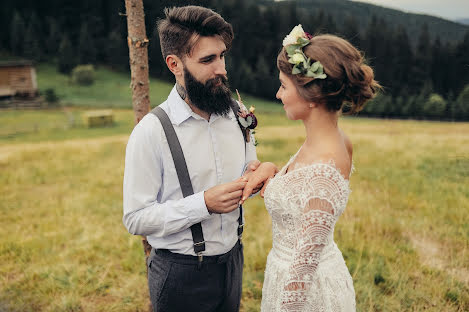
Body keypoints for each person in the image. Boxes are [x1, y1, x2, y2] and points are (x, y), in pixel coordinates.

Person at [122, 6, 274, 312]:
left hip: (233, 260)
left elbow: (248, 166)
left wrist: (257, 173)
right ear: (174, 64)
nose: (221, 69)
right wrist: (203, 204)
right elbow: (135, 218)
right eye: (208, 60)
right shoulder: (152, 132)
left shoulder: (236, 113)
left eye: (222, 56)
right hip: (181, 275)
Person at [241, 25, 380, 311]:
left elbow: (303, 269)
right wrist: (272, 171)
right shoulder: (330, 144)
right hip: (285, 273)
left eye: (283, 85)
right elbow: (303, 202)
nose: (278, 95)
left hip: (306, 294)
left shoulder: (324, 171)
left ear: (312, 95)